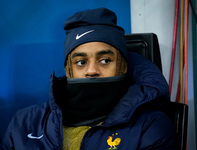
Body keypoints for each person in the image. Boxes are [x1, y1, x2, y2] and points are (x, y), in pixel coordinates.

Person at [1, 8, 178, 150]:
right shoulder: (23, 123)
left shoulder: (150, 127)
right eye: (80, 62)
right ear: (68, 70)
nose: (92, 71)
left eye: (105, 60)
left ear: (123, 66)